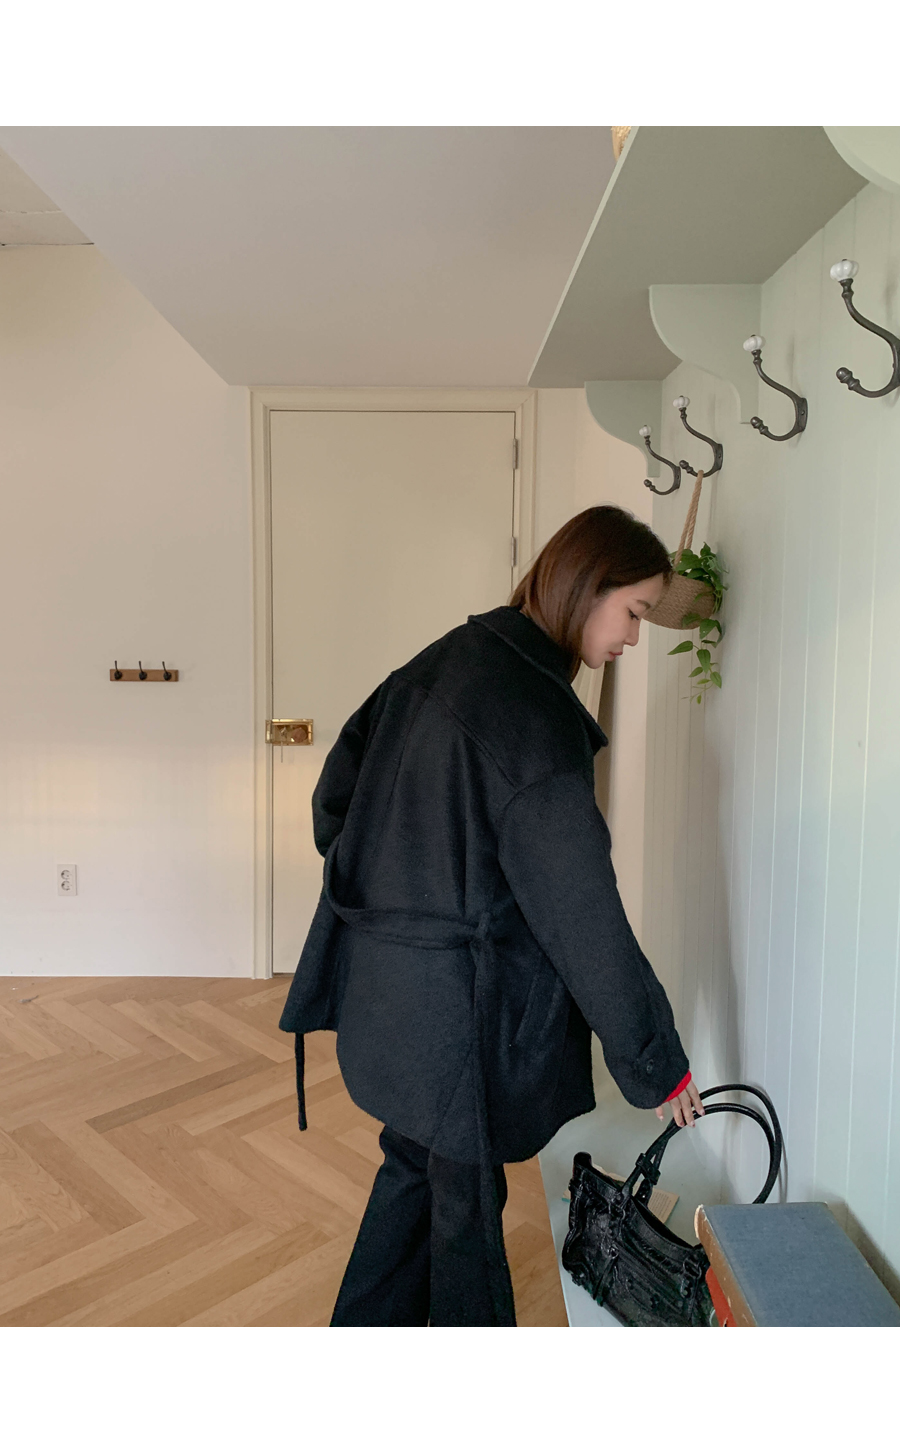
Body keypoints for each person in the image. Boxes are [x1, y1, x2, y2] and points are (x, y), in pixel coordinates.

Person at [278, 504, 705, 1327]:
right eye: (634, 612)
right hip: (458, 1019)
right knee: (464, 1220)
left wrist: (403, 891)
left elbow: (335, 802)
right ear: (589, 587)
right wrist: (658, 1065)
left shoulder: (441, 662)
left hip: (388, 993)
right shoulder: (533, 719)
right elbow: (581, 913)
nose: (634, 637)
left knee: (415, 1171)